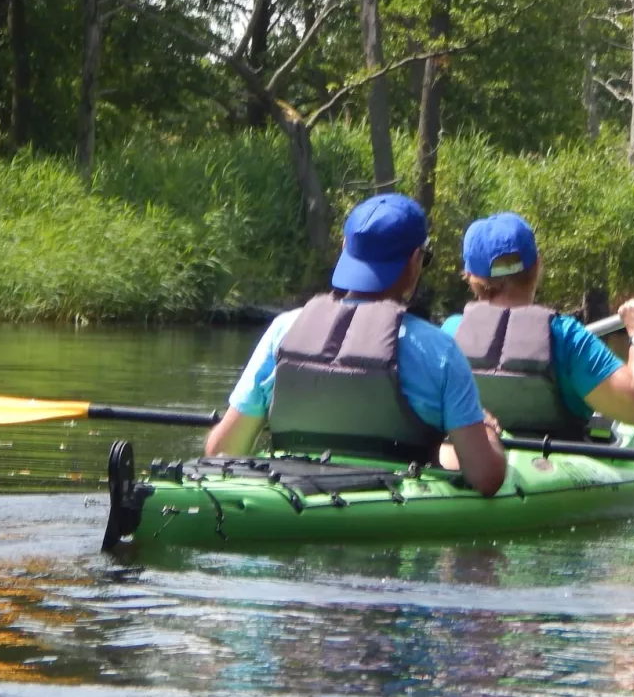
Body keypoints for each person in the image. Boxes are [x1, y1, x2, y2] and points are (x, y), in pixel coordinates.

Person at [204, 193, 507, 497]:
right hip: (391, 505)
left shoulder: (283, 330)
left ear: (345, 247)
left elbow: (222, 451)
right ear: (415, 261)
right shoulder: (439, 351)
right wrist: (486, 430)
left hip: (287, 492)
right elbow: (486, 478)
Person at [440, 212, 634, 432]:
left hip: (479, 452)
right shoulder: (565, 336)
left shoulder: (450, 332)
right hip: (554, 452)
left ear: (470, 276)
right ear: (537, 265)